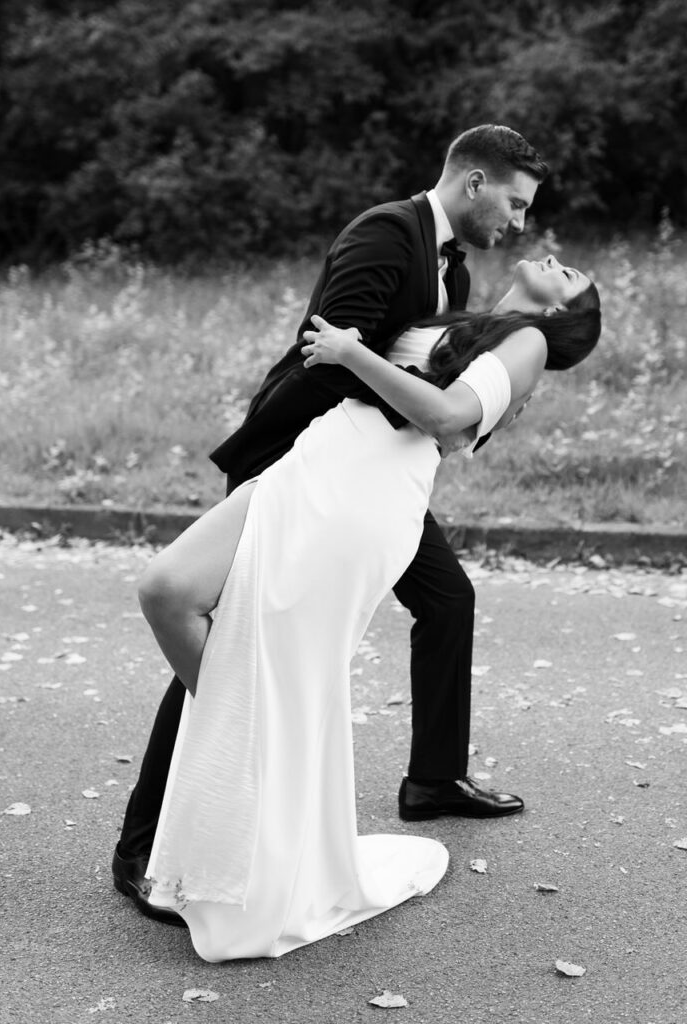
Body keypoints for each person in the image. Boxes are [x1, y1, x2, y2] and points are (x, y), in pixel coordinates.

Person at [113, 124, 551, 926]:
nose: (518, 223)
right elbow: (327, 355)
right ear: (474, 181)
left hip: (377, 482)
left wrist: (470, 389)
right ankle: (141, 849)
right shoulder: (386, 233)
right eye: (514, 204)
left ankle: (432, 779)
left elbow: (435, 363)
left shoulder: (454, 267)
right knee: (228, 633)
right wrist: (436, 418)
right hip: (304, 468)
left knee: (447, 599)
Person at [136, 255, 601, 961]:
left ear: (560, 313)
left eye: (568, 277)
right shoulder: (472, 317)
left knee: (182, 598)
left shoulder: (528, 340)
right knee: (173, 595)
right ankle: (268, 770)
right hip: (316, 460)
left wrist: (351, 353)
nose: (554, 260)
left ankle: (267, 794)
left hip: (365, 490)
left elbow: (448, 416)